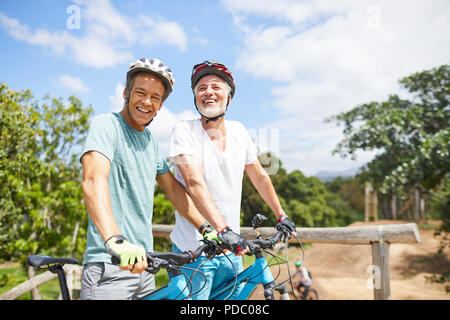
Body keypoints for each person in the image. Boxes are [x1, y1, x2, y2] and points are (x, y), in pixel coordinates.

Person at [79, 58, 208, 300]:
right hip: (110, 264)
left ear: (160, 105)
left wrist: (206, 228)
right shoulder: (107, 125)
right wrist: (114, 240)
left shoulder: (150, 142)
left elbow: (173, 190)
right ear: (126, 93)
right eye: (140, 93)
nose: (147, 102)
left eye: (155, 97)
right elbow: (93, 180)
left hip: (145, 267)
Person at [168, 60, 297, 299]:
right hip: (195, 251)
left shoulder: (239, 132)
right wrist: (222, 230)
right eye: (201, 87)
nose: (208, 92)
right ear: (195, 96)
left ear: (229, 97)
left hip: (232, 251)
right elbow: (194, 183)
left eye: (216, 86)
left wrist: (282, 215)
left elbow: (259, 176)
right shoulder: (184, 130)